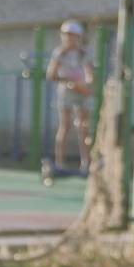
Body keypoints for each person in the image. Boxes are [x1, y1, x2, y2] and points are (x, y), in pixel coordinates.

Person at [46, 20, 93, 173]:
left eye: (72, 35)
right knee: (65, 126)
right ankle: (60, 163)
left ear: (78, 37)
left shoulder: (84, 53)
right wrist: (68, 81)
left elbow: (90, 74)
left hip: (82, 91)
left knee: (83, 127)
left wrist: (84, 85)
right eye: (66, 35)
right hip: (66, 92)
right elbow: (51, 75)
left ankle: (86, 164)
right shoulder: (59, 53)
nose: (68, 38)